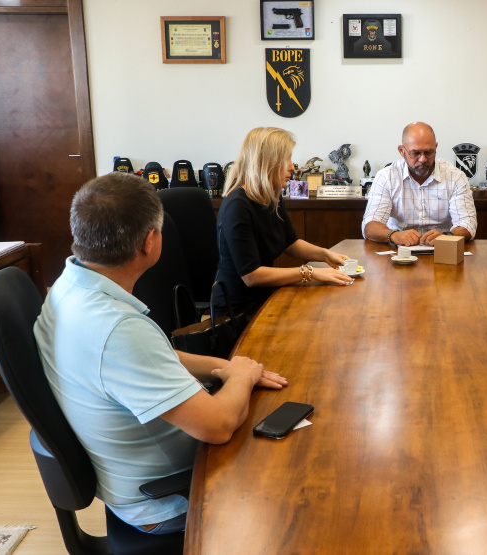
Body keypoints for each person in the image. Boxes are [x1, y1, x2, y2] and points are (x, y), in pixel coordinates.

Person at [34, 172, 288, 535]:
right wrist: (242, 376)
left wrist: (223, 368)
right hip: (168, 496)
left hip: (129, 474)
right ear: (149, 241)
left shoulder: (68, 286)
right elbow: (217, 427)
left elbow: (154, 356)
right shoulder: (117, 329)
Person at [216, 127, 354, 318]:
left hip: (266, 297)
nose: (292, 167)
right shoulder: (237, 206)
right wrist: (309, 272)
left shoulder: (273, 195)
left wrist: (326, 255)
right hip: (238, 312)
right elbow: (251, 276)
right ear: (267, 162)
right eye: (286, 160)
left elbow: (291, 243)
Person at [361, 122, 477, 246]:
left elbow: (467, 224)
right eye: (415, 153)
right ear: (401, 150)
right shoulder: (386, 177)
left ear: (436, 147)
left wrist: (448, 236)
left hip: (442, 249)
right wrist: (394, 235)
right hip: (398, 251)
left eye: (428, 152)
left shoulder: (455, 176)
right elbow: (370, 226)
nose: (423, 159)